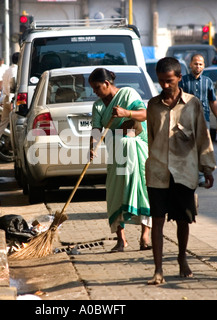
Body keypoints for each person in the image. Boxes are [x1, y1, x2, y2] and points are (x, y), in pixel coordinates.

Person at [146, 57, 216, 285]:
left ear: (179, 78)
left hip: (184, 171)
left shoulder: (193, 104)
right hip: (158, 171)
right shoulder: (152, 105)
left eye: (169, 81)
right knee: (157, 220)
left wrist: (207, 168)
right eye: (161, 82)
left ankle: (182, 257)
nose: (165, 86)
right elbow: (151, 138)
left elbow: (203, 138)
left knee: (183, 220)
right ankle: (158, 269)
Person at [88, 68, 152, 252]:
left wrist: (126, 113)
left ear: (107, 84)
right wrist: (92, 148)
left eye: (97, 87)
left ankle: (145, 237)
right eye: (93, 88)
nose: (95, 92)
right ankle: (121, 239)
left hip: (138, 152)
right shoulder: (98, 106)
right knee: (116, 193)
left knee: (142, 190)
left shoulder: (128, 94)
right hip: (116, 154)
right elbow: (96, 130)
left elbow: (144, 114)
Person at [180, 54, 217, 186]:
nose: (198, 66)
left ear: (204, 66)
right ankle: (188, 173)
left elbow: (212, 101)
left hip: (205, 119)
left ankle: (202, 175)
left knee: (203, 147)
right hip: (186, 119)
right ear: (190, 65)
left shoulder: (208, 82)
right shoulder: (183, 81)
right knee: (188, 146)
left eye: (200, 64)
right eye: (195, 63)